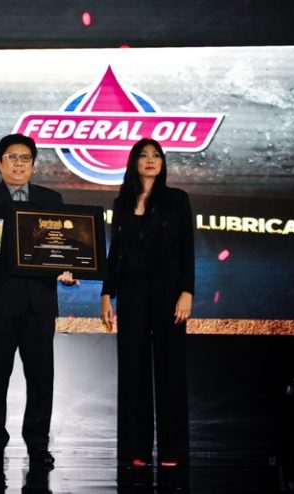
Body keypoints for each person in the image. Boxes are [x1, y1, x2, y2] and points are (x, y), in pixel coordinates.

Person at [0, 133, 77, 470]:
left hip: (39, 305)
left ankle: (38, 445)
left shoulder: (51, 199)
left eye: (25, 158)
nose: (19, 163)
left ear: (33, 164)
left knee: (41, 379)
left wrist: (67, 269)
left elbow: (61, 249)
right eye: (12, 157)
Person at [100, 137, 195, 469]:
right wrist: (106, 293)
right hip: (131, 292)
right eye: (144, 155)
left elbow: (187, 248)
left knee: (170, 369)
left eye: (157, 155)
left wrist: (187, 291)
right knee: (133, 369)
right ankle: (135, 448)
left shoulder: (177, 199)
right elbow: (116, 253)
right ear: (134, 163)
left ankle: (172, 450)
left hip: (169, 292)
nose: (151, 160)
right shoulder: (122, 202)